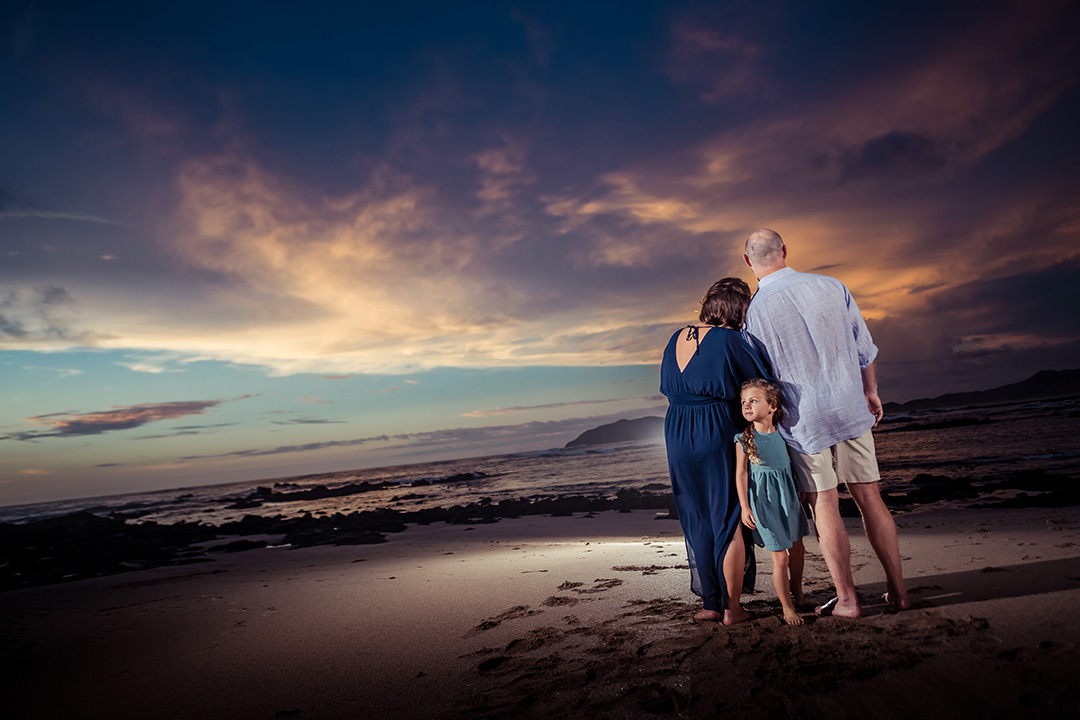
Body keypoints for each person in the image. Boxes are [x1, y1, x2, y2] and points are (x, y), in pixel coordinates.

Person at [742, 228, 910, 618]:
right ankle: (899, 592)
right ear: (784, 251)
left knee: (825, 505)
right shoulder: (831, 285)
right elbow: (864, 348)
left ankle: (848, 600)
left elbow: (762, 378)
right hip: (850, 406)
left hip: (804, 420)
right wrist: (871, 392)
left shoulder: (755, 313)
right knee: (870, 497)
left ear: (749, 262)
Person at [660, 277, 771, 624]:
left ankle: (710, 604)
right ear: (738, 310)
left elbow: (667, 386)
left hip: (677, 433)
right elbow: (759, 384)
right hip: (716, 429)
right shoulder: (730, 340)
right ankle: (732, 609)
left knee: (697, 517)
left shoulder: (675, 338)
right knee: (729, 518)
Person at [734, 378, 810, 626]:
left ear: (772, 405)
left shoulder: (785, 433)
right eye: (743, 402)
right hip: (763, 502)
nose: (746, 406)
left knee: (797, 550)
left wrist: (802, 488)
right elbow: (741, 473)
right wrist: (745, 507)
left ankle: (797, 591)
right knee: (780, 558)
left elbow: (794, 464)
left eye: (753, 401)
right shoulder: (744, 438)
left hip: (788, 497)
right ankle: (787, 607)